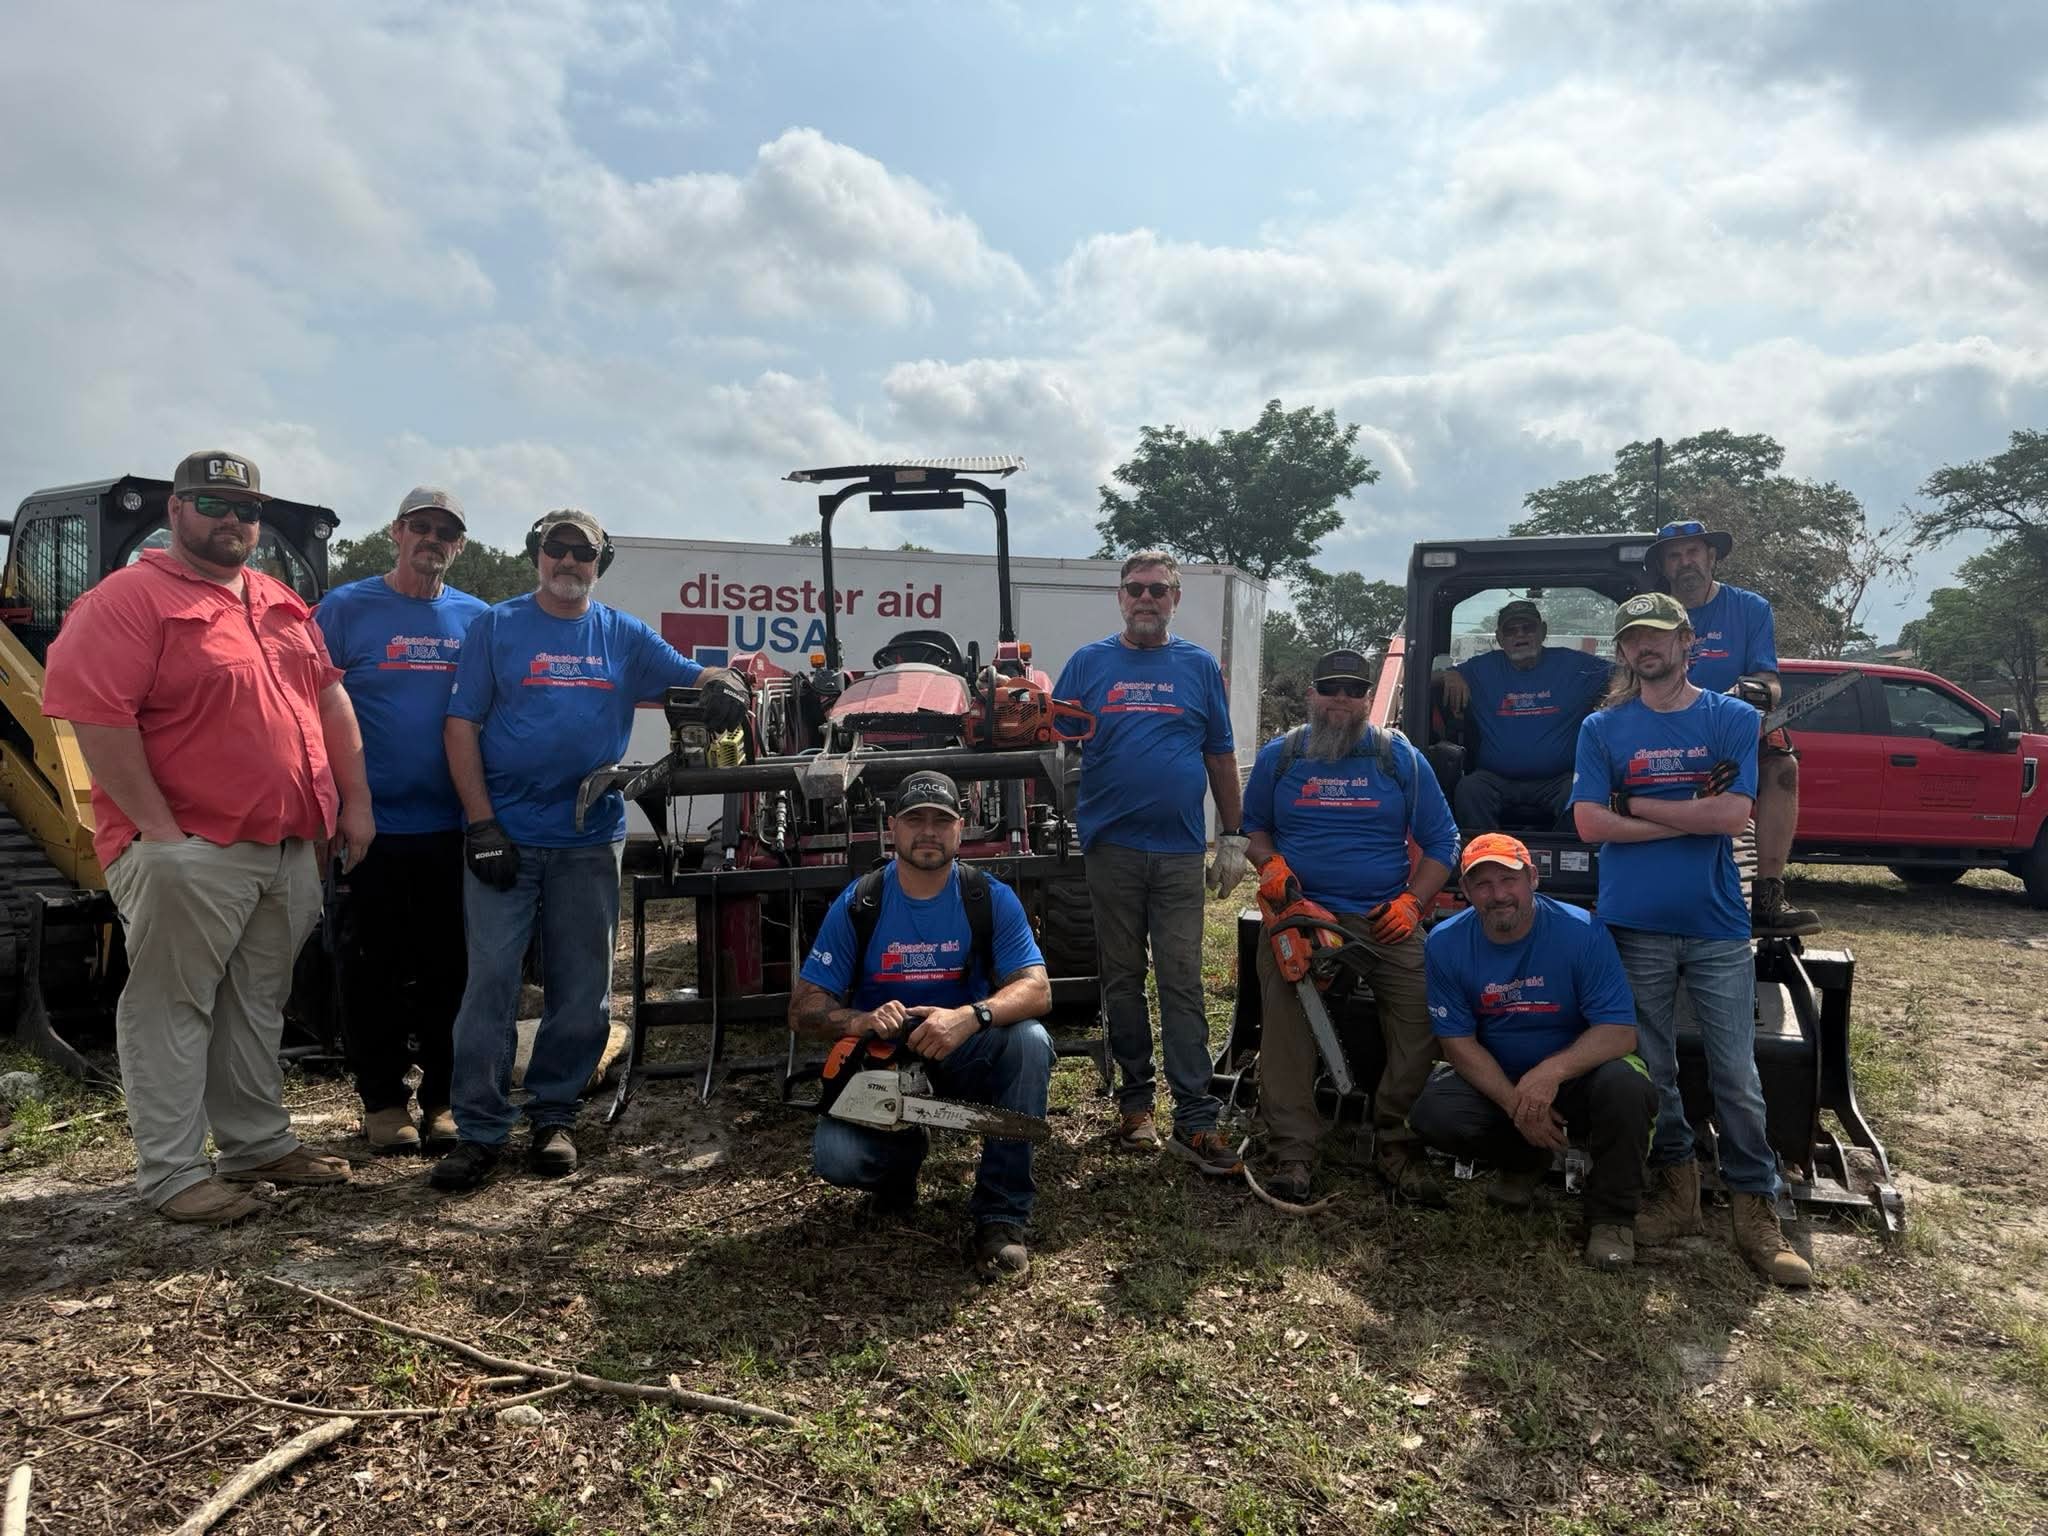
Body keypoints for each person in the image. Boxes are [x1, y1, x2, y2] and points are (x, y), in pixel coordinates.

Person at [43, 450, 372, 1225]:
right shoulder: (127, 600)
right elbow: (99, 718)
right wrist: (162, 835)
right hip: (189, 847)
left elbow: (329, 704)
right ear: (176, 511)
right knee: (173, 1006)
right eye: (214, 504)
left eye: (247, 510)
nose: (233, 521)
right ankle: (172, 1173)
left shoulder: (278, 600)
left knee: (257, 1003)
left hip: (286, 846)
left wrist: (353, 804)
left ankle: (257, 1144)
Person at [430, 509, 748, 1191]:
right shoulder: (497, 627)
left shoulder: (622, 635)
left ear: (601, 563)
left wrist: (726, 685)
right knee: (490, 984)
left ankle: (554, 1115)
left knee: (583, 988)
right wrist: (481, 825)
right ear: (537, 554)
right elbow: (461, 727)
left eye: (584, 552)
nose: (570, 561)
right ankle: (480, 1131)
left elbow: (694, 676)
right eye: (558, 548)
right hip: (506, 836)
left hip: (588, 837)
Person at [1570, 592, 1813, 1287]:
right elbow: (1589, 824)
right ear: (1622, 653)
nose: (1643, 648)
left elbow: (1733, 814)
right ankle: (1677, 1195)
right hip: (1633, 923)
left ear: (1686, 642)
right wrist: (1687, 813)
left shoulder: (1732, 718)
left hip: (1716, 924)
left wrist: (1634, 803)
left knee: (1737, 1074)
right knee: (1655, 1071)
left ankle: (1755, 1208)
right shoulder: (1602, 727)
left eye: (1656, 635)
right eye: (1631, 639)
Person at [790, 771, 1055, 1279]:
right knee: (837, 1158)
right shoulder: (860, 902)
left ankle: (1001, 1216)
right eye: (915, 820)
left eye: (941, 820)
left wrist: (971, 1016)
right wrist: (861, 1020)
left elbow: (1037, 989)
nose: (928, 832)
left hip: (963, 1049)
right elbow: (803, 1008)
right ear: (893, 827)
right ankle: (900, 1162)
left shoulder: (988, 897)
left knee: (1029, 1041)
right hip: (885, 1064)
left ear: (960, 829)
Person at [1242, 649, 1462, 1205]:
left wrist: (1413, 903)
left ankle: (1395, 1139)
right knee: (1286, 1010)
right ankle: (1293, 1149)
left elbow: (1443, 842)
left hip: (1383, 917)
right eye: (1330, 688)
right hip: (1301, 913)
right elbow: (1254, 829)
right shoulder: (1281, 756)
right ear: (1311, 695)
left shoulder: (1398, 758)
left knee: (1423, 1008)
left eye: (1353, 690)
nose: (1340, 699)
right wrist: (1270, 865)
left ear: (1368, 699)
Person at [1053, 550, 1247, 1175]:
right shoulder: (1087, 664)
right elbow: (1052, 744)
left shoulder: (1198, 666)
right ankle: (1136, 1107)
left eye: (1158, 590)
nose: (1146, 598)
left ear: (1175, 599)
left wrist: (1234, 838)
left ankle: (1194, 1118)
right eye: (1135, 588)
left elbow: (1220, 755)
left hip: (1180, 851)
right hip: (1111, 850)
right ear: (1120, 597)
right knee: (1122, 979)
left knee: (1182, 981)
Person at [315, 487, 488, 1153]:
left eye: (445, 532)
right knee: (369, 969)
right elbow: (308, 706)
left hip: (450, 828)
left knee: (450, 969)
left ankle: (443, 1099)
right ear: (397, 531)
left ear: (459, 545)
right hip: (369, 830)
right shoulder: (344, 609)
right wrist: (333, 806)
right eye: (421, 527)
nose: (431, 539)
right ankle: (384, 1102)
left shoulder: (477, 619)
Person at [1410, 834, 1658, 1272]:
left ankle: (1612, 1219)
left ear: (1533, 880)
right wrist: (1516, 1104)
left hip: (1578, 1076)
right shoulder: (1445, 943)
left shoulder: (1581, 931)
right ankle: (1525, 1161)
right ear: (1465, 891)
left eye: (1509, 880)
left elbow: (1620, 1033)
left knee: (1627, 1088)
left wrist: (1551, 1073)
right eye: (1483, 884)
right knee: (1434, 1111)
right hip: (1503, 1077)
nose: (1498, 894)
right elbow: (1457, 1043)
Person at [1647, 518, 1819, 936]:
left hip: (1731, 725)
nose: (1685, 562)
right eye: (1674, 556)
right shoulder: (1650, 613)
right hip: (1663, 726)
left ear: (1711, 556)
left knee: (1782, 766)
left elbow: (1770, 682)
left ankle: (1768, 894)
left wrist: (1750, 695)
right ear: (1664, 566)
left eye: (1692, 552)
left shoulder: (1749, 608)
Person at [1434, 600, 1611, 833]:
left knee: (1581, 794)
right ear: (1500, 638)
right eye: (1511, 630)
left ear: (1543, 631)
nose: (1520, 635)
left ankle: (1566, 853)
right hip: (1495, 780)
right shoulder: (1481, 669)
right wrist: (1448, 675)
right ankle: (1487, 852)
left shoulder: (1575, 665)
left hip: (1559, 781)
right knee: (1469, 789)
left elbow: (1624, 675)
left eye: (1528, 627)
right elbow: (1427, 677)